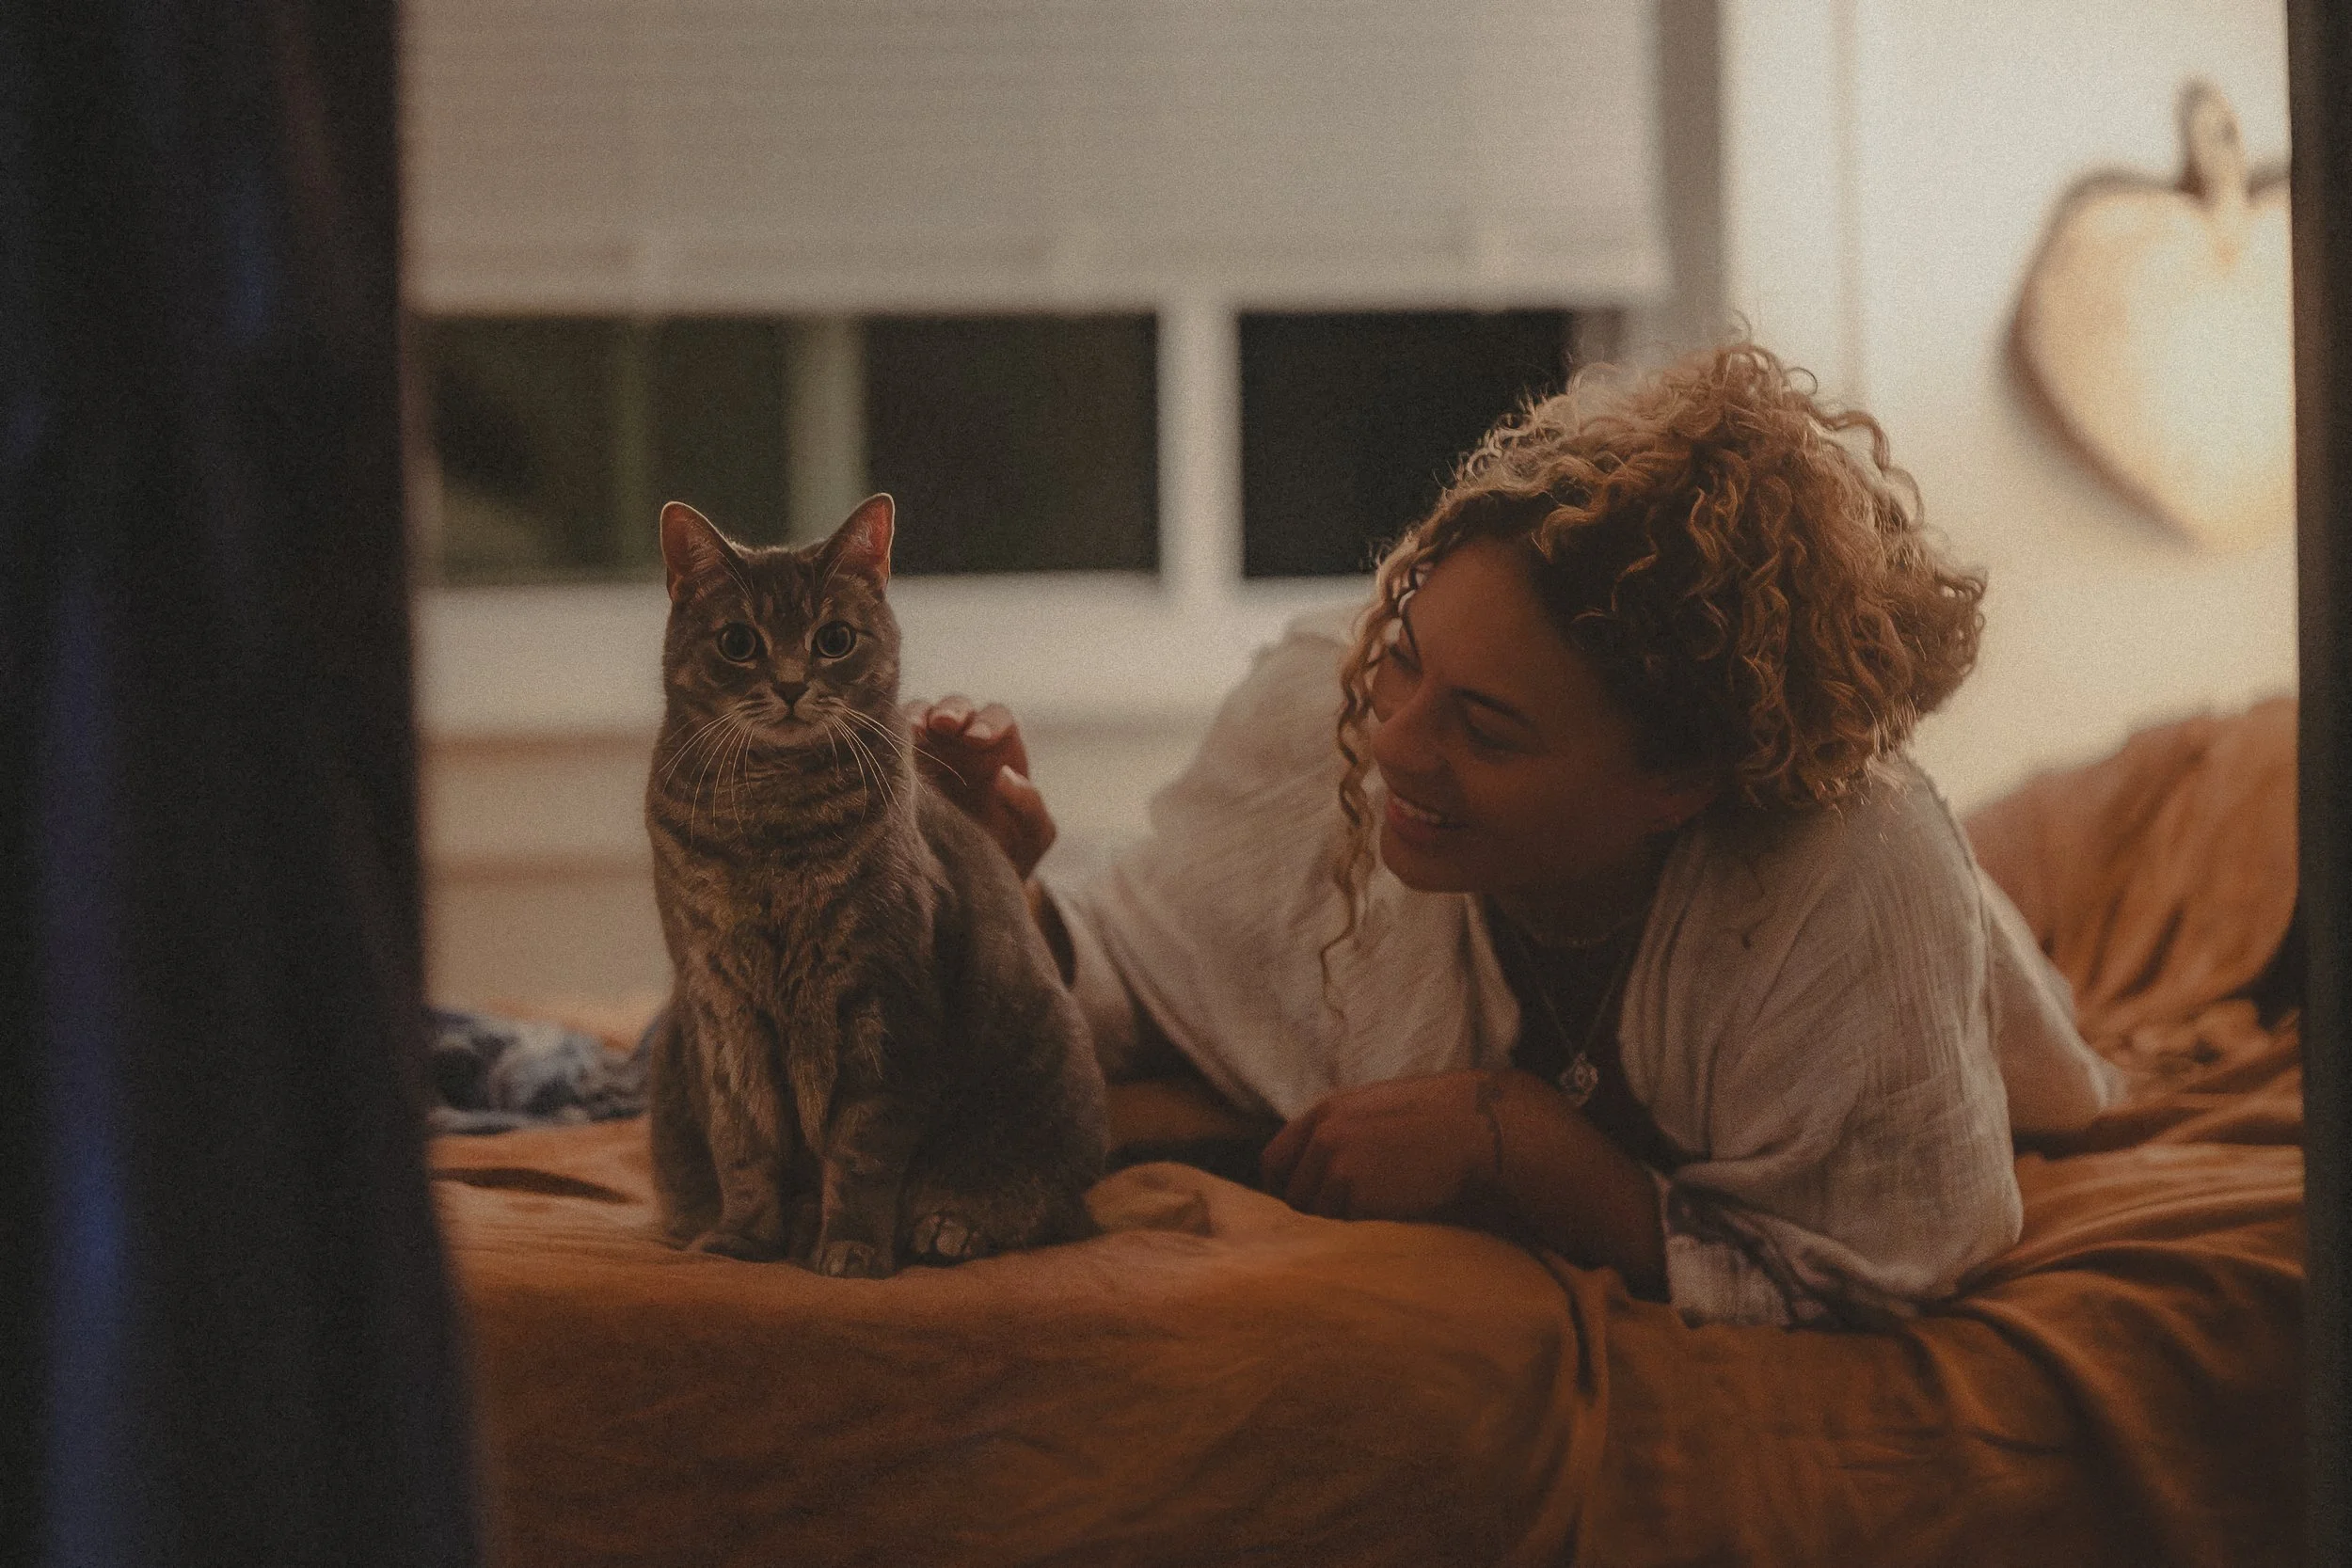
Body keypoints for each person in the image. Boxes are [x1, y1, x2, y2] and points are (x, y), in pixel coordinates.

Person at [907, 342, 2121, 1328]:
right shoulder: (1315, 722)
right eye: (1407, 662)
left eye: (1487, 731)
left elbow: (1881, 1253)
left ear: (1678, 779)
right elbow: (1136, 971)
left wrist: (1524, 1149)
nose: (1395, 747)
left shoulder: (1847, 872)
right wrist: (995, 885)